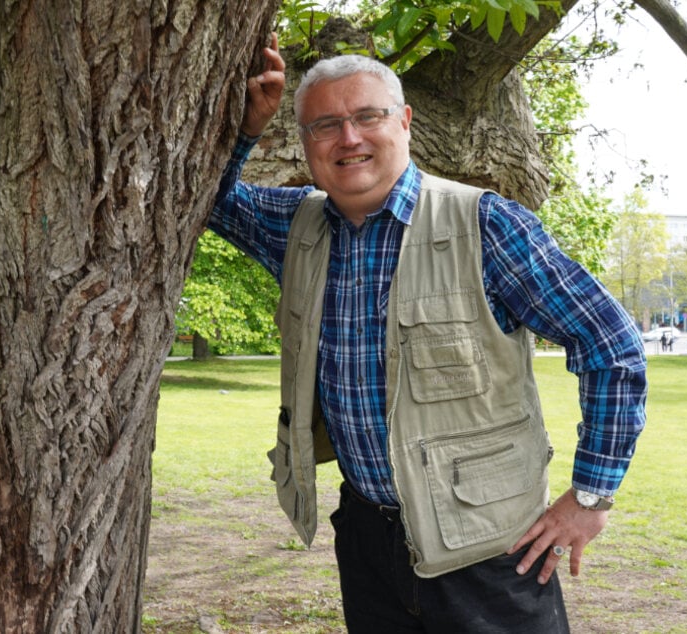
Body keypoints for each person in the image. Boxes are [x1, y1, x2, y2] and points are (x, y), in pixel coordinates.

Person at [209, 34, 647, 632]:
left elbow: (610, 345)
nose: (349, 138)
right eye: (325, 125)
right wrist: (248, 130)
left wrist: (591, 496)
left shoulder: (486, 224)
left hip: (491, 549)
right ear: (306, 142)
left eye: (368, 116)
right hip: (368, 539)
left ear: (406, 122)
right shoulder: (296, 227)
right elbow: (202, 197)